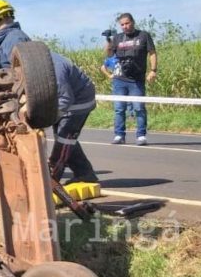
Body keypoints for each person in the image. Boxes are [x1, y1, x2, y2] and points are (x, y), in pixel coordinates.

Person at [105, 13, 157, 146]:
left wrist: (153, 70)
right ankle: (119, 135)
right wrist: (108, 41)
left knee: (139, 107)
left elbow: (152, 53)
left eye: (127, 23)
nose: (125, 26)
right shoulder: (117, 38)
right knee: (119, 108)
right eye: (122, 25)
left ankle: (141, 135)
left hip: (137, 79)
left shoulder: (143, 36)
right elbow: (109, 55)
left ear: (133, 22)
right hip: (119, 79)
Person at [48, 52, 98, 185]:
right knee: (68, 140)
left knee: (64, 140)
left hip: (79, 102)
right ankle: (85, 174)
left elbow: (65, 98)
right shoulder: (38, 63)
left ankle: (52, 179)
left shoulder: (55, 67)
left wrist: (47, 119)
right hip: (64, 100)